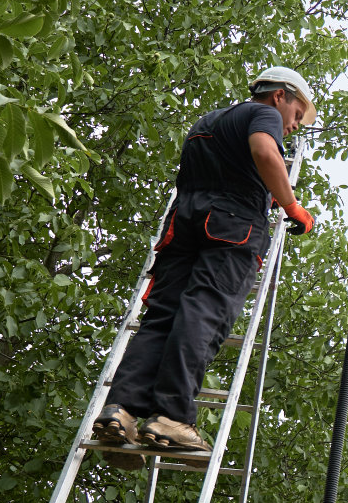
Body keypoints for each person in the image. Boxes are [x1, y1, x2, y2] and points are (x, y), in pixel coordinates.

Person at [92, 66, 317, 465]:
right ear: (280, 95)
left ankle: (121, 410)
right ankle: (172, 416)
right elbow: (265, 152)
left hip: (184, 227)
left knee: (162, 317)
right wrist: (291, 205)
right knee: (204, 313)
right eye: (297, 115)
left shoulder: (209, 121)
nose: (295, 127)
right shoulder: (262, 114)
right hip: (231, 228)